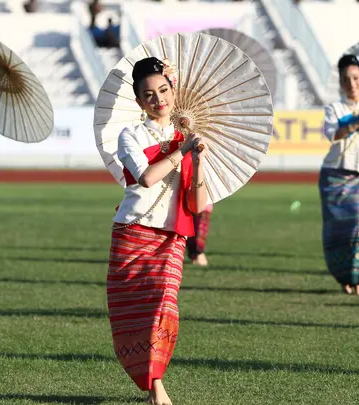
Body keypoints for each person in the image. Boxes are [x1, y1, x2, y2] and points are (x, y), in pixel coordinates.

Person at [107, 56, 209, 405]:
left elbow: (197, 203)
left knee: (164, 304)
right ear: (139, 101)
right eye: (148, 94)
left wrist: (200, 157)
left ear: (172, 90)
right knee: (134, 312)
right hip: (133, 230)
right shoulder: (130, 135)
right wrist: (183, 149)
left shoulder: (187, 138)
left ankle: (157, 384)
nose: (158, 99)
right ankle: (154, 388)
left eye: (163, 90)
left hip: (171, 235)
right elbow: (148, 178)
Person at [318, 54, 359, 296]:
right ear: (341, 82)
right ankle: (344, 279)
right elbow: (333, 134)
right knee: (338, 231)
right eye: (346, 79)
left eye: (356, 78)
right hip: (333, 176)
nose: (352, 84)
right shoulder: (334, 109)